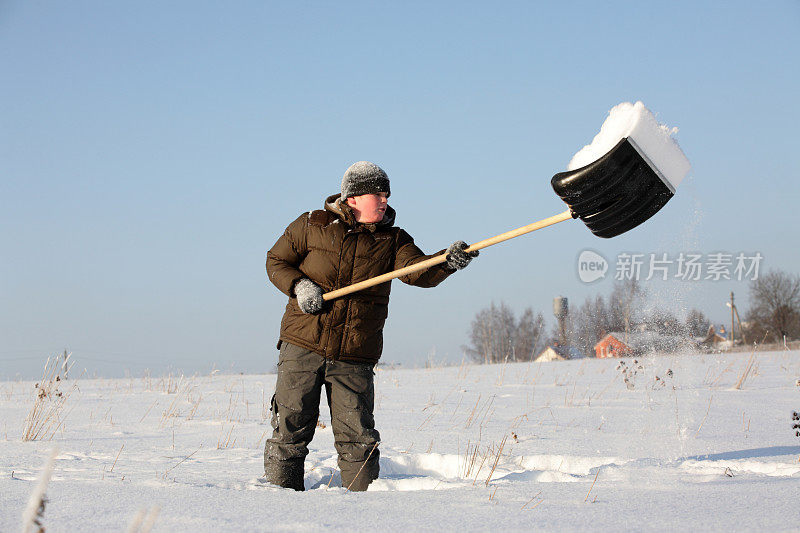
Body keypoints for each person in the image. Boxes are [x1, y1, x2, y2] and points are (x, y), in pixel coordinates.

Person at [263, 161, 478, 491]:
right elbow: (276, 261)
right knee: (290, 431)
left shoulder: (393, 239)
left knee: (358, 440)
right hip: (302, 343)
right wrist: (300, 285)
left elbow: (417, 270)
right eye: (376, 193)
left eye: (386, 194)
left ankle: (363, 515)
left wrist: (444, 262)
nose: (384, 200)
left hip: (355, 354)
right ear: (351, 198)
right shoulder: (311, 224)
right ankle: (279, 505)